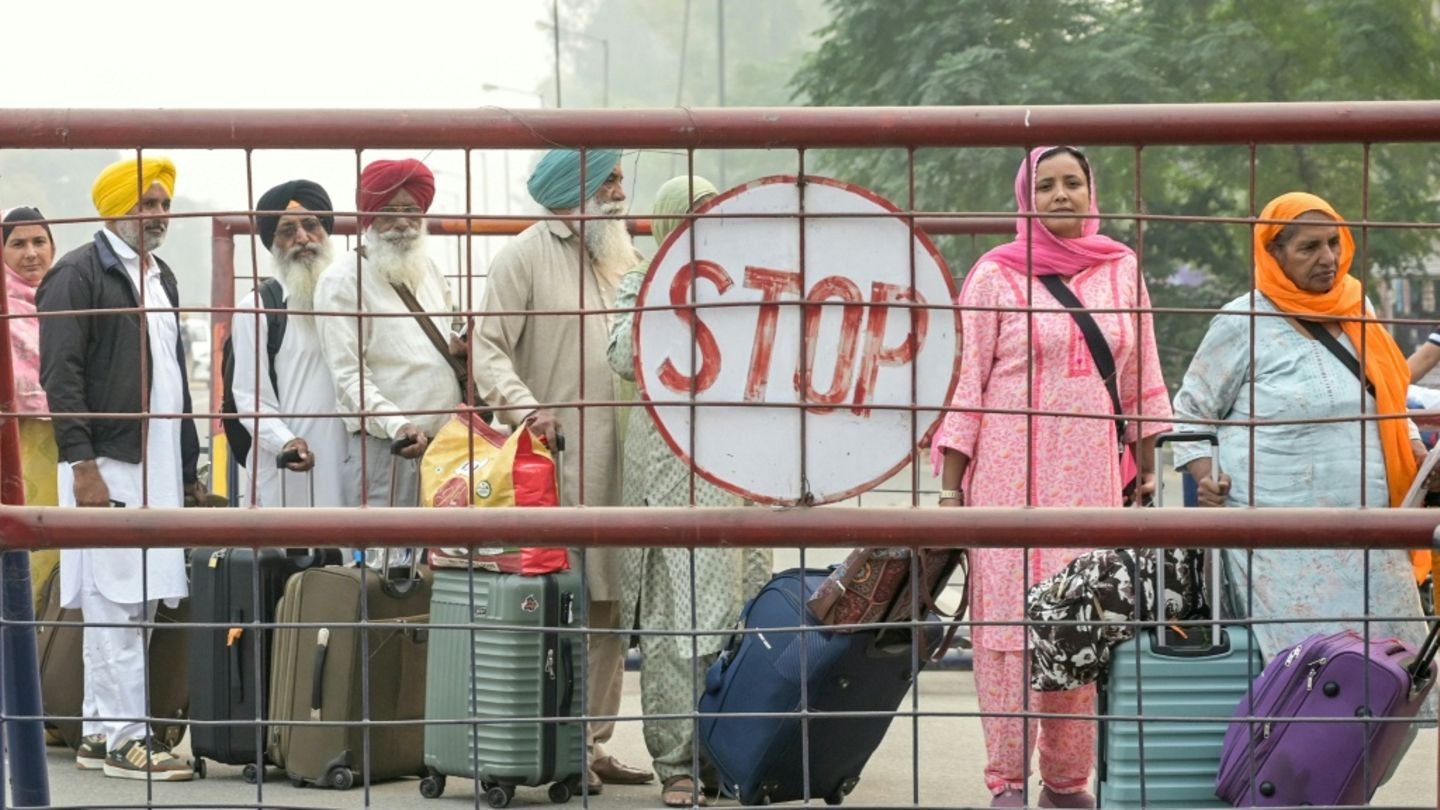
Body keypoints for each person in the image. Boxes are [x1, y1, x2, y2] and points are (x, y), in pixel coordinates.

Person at [929, 146, 1173, 809]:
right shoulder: (994, 276)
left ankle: (1066, 784)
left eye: (1073, 182)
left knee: (1078, 628)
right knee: (1007, 636)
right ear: (1024, 197)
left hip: (1093, 482)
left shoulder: (1123, 271)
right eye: (1046, 184)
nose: (1061, 194)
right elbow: (963, 387)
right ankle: (1005, 781)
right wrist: (951, 491)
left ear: (1092, 192)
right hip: (1006, 479)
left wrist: (1146, 473)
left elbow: (1141, 376)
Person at [1171, 191, 1430, 661]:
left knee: (1396, 676)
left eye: (1333, 242)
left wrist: (1415, 452)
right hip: (1284, 548)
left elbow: (1389, 397)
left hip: (1372, 536)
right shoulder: (1241, 320)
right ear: (1273, 253)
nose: (1328, 258)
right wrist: (1206, 476)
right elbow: (1191, 412)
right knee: (1306, 682)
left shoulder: (1357, 308)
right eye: (1308, 247)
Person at [472, 147, 653, 792]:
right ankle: (549, 740)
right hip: (554, 459)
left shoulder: (622, 255)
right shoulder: (522, 255)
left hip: (624, 456)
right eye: (606, 181)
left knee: (610, 602)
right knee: (557, 601)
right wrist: (529, 411)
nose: (617, 192)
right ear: (569, 189)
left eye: (621, 180)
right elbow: (488, 352)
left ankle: (593, 742)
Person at [37, 156, 203, 781]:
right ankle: (129, 740)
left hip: (155, 466)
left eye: (163, 205)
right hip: (105, 463)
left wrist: (187, 466)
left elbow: (173, 383)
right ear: (115, 208)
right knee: (115, 601)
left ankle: (101, 732)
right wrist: (82, 465)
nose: (157, 216)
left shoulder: (161, 276)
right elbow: (61, 376)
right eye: (146, 204)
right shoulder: (76, 273)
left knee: (143, 598)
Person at [608, 175, 772, 807]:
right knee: (675, 624)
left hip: (742, 477)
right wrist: (680, 305)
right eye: (694, 216)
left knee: (743, 617)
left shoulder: (752, 281)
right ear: (669, 223)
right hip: (672, 477)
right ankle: (676, 762)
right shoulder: (640, 282)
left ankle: (727, 754)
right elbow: (621, 355)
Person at [314, 159, 461, 514]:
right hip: (390, 449)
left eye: (411, 210)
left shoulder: (428, 269)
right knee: (389, 563)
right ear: (370, 216)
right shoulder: (342, 281)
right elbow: (347, 375)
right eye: (388, 211)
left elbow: (450, 328)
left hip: (450, 447)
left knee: (448, 562)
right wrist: (399, 425)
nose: (401, 222)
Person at [229, 180, 346, 508]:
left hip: (352, 465)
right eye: (287, 230)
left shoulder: (349, 299)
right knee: (295, 552)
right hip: (288, 469)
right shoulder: (257, 307)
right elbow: (250, 399)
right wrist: (285, 442)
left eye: (311, 225)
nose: (303, 238)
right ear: (273, 242)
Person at [3, 207, 59, 612]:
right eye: (17, 243)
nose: (31, 253)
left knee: (56, 545)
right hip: (11, 448)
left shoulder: (67, 297)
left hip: (63, 448)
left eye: (39, 241)